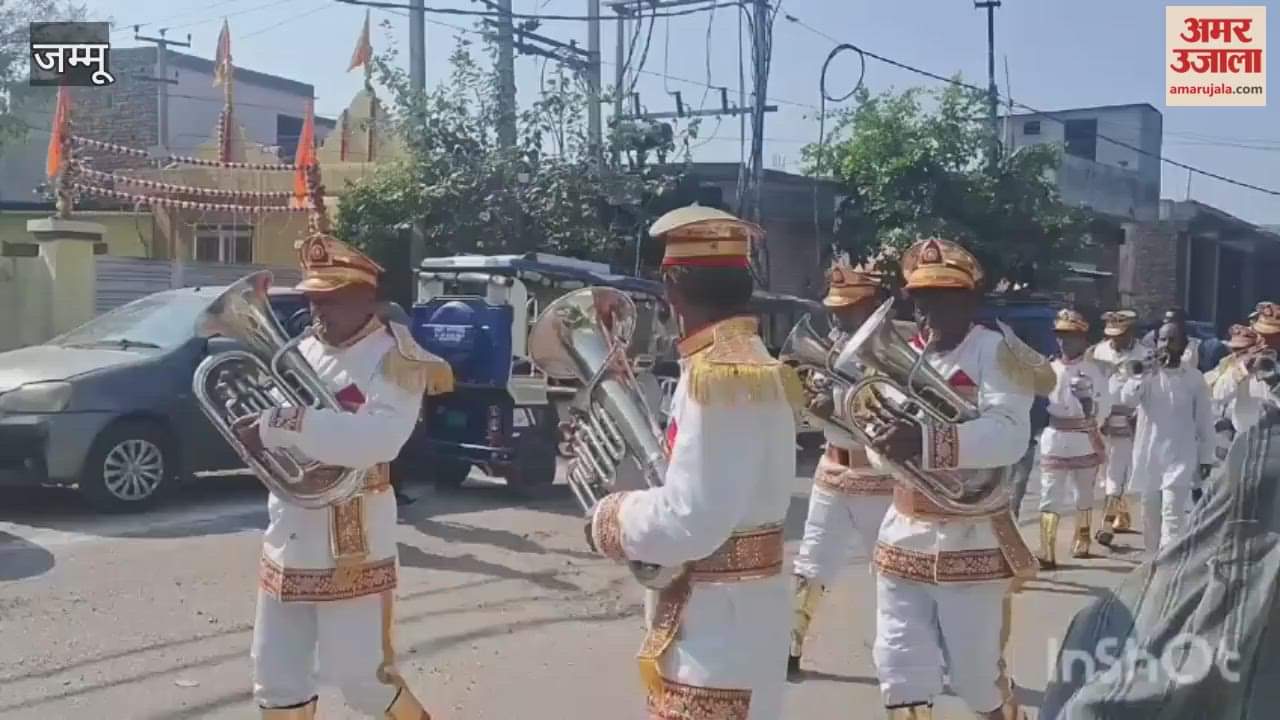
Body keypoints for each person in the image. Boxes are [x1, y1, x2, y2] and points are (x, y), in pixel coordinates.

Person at [584, 205, 801, 720]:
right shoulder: (749, 363)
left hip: (719, 624)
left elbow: (692, 518)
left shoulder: (717, 374)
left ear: (671, 292)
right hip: (736, 613)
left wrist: (608, 518)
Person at [234, 233, 454, 719]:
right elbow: (279, 424)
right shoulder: (303, 347)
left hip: (352, 540)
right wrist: (258, 432)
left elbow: (378, 440)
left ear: (366, 297)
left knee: (361, 678)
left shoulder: (398, 358)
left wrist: (279, 424)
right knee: (274, 674)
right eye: (313, 297)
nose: (318, 310)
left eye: (331, 299)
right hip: (290, 529)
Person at [865, 238, 1037, 720]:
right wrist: (885, 444)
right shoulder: (903, 356)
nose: (929, 309)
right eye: (921, 297)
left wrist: (924, 442)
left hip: (972, 537)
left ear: (971, 300)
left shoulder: (997, 352)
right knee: (898, 667)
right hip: (903, 533)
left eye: (943, 296)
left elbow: (1009, 436)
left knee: (975, 678)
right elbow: (883, 445)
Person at [787, 258, 893, 678]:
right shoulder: (830, 343)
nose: (838, 315)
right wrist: (813, 409)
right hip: (831, 471)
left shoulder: (895, 350)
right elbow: (816, 412)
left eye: (848, 307)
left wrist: (842, 412)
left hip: (879, 479)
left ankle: (900, 656)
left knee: (891, 573)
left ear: (874, 305)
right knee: (810, 564)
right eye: (835, 307)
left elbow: (892, 417)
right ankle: (788, 646)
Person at [1120, 321, 1215, 555]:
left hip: (1180, 456)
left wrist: (1206, 457)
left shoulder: (1194, 378)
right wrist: (1141, 375)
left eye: (1173, 340)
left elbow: (1204, 421)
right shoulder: (1147, 375)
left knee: (1173, 517)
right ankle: (1153, 562)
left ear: (1184, 346)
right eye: (1162, 339)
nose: (1166, 344)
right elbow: (1127, 400)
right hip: (1149, 457)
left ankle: (1168, 569)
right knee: (1150, 517)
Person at [1036, 310, 1111, 566]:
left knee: (1083, 495)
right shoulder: (1048, 368)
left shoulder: (1093, 371)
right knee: (1049, 495)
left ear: (1083, 339)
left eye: (1070, 336)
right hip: (1055, 437)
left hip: (1083, 438)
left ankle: (1082, 537)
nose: (1064, 342)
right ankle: (1047, 550)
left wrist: (1090, 411)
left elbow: (1104, 406)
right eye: (1060, 336)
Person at [1087, 310, 1149, 546]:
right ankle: (1121, 514)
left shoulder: (1144, 354)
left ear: (1130, 332)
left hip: (1129, 420)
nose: (1115, 339)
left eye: (1120, 334)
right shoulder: (1098, 351)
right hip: (1101, 419)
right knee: (1105, 474)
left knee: (1117, 473)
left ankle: (1105, 525)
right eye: (1112, 334)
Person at [1204, 324, 1261, 464]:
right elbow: (1218, 394)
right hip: (1234, 432)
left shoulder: (1267, 365)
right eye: (1234, 349)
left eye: (1243, 350)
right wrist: (1240, 371)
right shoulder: (1228, 364)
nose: (1236, 354)